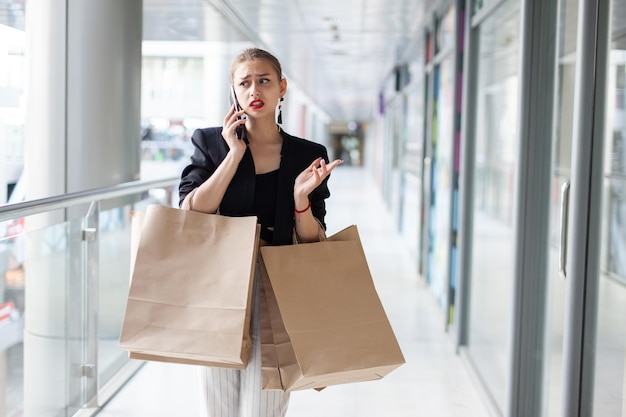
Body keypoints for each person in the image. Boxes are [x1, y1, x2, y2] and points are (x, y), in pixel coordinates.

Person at [178, 47, 342, 417]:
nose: (255, 89)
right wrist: (234, 154)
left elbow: (315, 240)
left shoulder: (306, 153)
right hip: (219, 284)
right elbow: (192, 210)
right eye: (245, 82)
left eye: (264, 80)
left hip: (280, 285)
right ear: (233, 91)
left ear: (282, 87)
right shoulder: (211, 142)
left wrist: (301, 199)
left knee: (265, 403)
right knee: (220, 402)